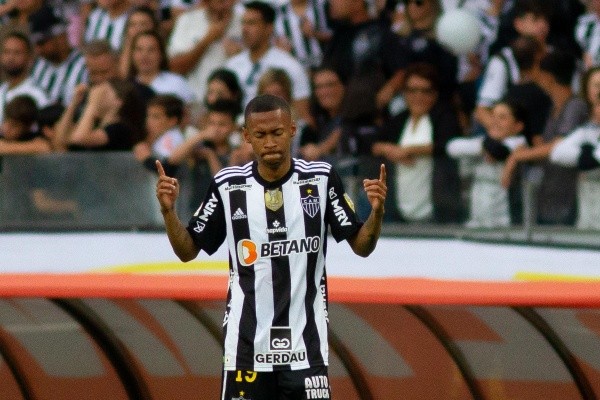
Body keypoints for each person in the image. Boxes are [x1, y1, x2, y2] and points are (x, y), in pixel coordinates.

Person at [155, 94, 387, 399]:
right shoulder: (228, 185)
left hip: (306, 348)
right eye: (260, 135)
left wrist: (376, 213)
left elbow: (362, 246)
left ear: (292, 130)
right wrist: (169, 212)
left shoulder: (320, 179)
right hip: (245, 349)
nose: (270, 142)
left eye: (277, 133)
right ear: (247, 136)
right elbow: (187, 251)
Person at [501, 50, 588, 226]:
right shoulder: (553, 108)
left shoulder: (575, 106)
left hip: (567, 195)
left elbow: (559, 144)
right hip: (548, 192)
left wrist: (518, 156)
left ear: (548, 77)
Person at [371, 62, 462, 223]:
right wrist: (387, 149)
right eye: (412, 90)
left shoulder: (444, 117)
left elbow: (448, 146)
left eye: (425, 91)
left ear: (435, 94)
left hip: (437, 214)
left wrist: (408, 151)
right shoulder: (399, 120)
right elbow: (372, 144)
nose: (418, 96)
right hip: (398, 212)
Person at [224, 1, 311, 122]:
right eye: (243, 23)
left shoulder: (289, 66)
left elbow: (303, 116)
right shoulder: (232, 66)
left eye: (251, 23)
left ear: (269, 28)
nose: (244, 29)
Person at [447, 99, 528, 228]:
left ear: (518, 126)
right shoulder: (482, 142)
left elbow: (499, 151)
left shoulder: (519, 143)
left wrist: (485, 147)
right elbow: (452, 147)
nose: (495, 122)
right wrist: (483, 147)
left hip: (505, 220)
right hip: (477, 216)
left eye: (502, 117)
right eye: (492, 116)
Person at [167, 0, 243, 103]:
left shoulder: (245, 22)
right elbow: (174, 68)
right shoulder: (187, 20)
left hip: (232, 103)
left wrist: (239, 56)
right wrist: (207, 39)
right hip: (195, 100)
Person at [29, 6, 87, 106]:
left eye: (42, 43)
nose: (38, 50)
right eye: (36, 44)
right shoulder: (38, 67)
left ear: (61, 37)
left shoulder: (84, 64)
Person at [126, 30, 196, 104]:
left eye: (151, 50)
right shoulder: (127, 87)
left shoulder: (177, 84)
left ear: (161, 54)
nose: (144, 55)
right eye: (139, 50)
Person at [0, 31, 49, 124]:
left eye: (17, 53)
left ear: (29, 58)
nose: (11, 58)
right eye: (6, 52)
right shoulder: (2, 90)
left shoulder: (37, 95)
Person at [134, 93, 185, 175]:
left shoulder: (170, 137)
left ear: (172, 121)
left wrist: (146, 158)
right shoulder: (161, 137)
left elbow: (167, 168)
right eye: (148, 116)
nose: (148, 121)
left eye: (156, 117)